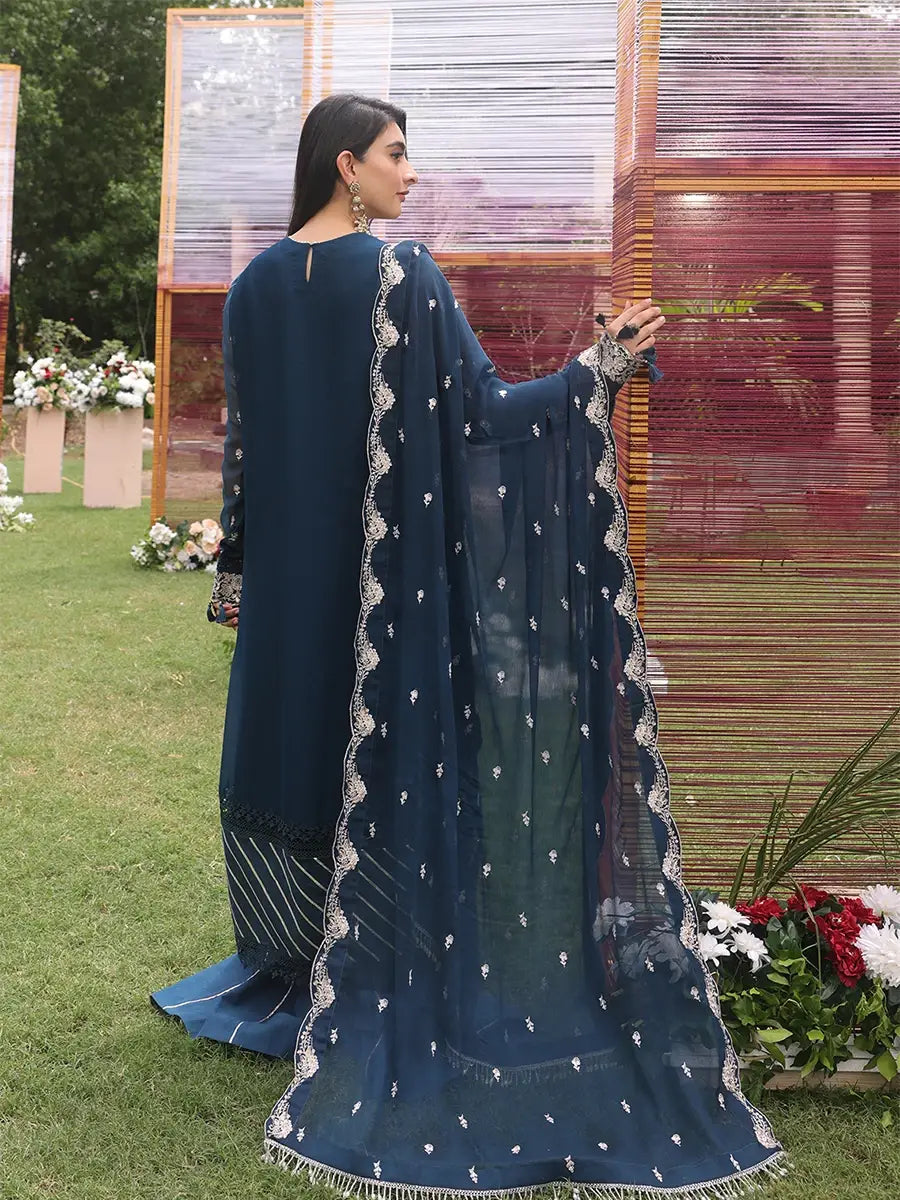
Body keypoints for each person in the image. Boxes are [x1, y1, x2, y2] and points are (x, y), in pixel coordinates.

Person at [152, 94, 790, 1199]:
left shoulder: (251, 288)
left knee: (292, 747)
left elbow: (242, 445)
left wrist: (239, 574)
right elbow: (487, 415)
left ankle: (292, 968)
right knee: (377, 752)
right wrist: (598, 370)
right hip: (379, 589)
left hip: (289, 590)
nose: (412, 174)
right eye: (398, 155)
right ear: (346, 165)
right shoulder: (400, 274)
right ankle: (364, 969)